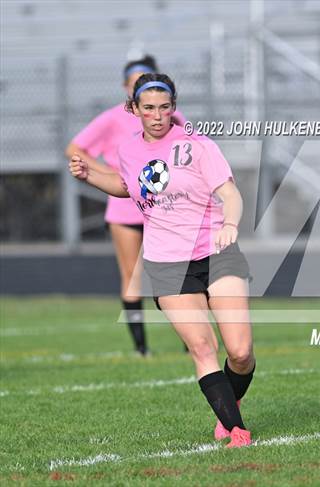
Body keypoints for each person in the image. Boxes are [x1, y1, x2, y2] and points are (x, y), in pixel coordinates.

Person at [69, 73, 254, 447]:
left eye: (165, 107)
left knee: (240, 352)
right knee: (203, 348)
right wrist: (92, 176)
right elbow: (127, 186)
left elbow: (230, 193)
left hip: (217, 253)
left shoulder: (197, 144)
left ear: (174, 107)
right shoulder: (127, 149)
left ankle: (228, 402)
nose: (157, 116)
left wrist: (230, 223)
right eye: (149, 108)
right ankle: (237, 430)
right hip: (167, 263)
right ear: (134, 108)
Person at [65, 56, 186, 356]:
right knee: (132, 276)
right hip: (124, 211)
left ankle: (191, 341)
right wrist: (105, 174)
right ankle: (141, 349)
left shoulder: (173, 118)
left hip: (163, 209)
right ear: (127, 90)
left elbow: (189, 151)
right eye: (135, 81)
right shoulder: (111, 118)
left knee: (176, 273)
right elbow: (74, 148)